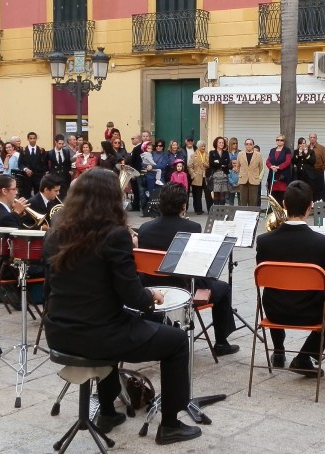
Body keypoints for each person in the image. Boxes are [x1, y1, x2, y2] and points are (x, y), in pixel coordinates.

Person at [43, 169, 202, 445]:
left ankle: (108, 411)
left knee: (113, 323)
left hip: (59, 333)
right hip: (97, 336)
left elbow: (50, 289)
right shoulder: (114, 235)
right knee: (176, 341)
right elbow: (131, 296)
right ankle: (171, 424)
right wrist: (150, 297)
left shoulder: (55, 233)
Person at [255, 180, 325, 373]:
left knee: (275, 288)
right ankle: (305, 357)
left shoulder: (264, 241)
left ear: (284, 205)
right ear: (310, 206)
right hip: (310, 312)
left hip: (274, 311)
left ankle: (279, 351)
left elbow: (263, 275)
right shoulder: (323, 242)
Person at [138, 183, 240, 356]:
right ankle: (221, 343)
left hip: (152, 288)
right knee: (223, 288)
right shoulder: (192, 227)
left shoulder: (144, 229)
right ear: (183, 206)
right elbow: (197, 266)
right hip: (183, 288)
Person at [18, 131, 47, 196]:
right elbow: (20, 164)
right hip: (27, 176)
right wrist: (25, 169)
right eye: (30, 138)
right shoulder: (23, 151)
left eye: (34, 138)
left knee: (39, 194)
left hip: (38, 176)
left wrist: (44, 174)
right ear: (28, 139)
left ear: (36, 139)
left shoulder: (41, 150)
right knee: (27, 194)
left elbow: (44, 164)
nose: (32, 140)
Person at [237, 138, 263, 207]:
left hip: (254, 180)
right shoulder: (240, 154)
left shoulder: (258, 155)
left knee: (253, 202)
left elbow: (261, 167)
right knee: (243, 201)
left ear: (253, 145)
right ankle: (243, 216)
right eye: (247, 144)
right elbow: (238, 166)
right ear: (245, 145)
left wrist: (255, 175)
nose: (248, 145)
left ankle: (252, 216)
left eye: (250, 144)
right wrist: (243, 173)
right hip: (243, 180)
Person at [266, 135, 293, 202]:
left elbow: (288, 161)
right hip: (273, 175)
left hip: (283, 176)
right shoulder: (272, 150)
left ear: (284, 141)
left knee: (282, 196)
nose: (279, 141)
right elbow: (268, 161)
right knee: (273, 196)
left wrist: (278, 167)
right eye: (278, 140)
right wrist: (271, 167)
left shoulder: (287, 150)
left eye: (281, 140)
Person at [47, 134, 73, 200]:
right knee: (55, 193)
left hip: (64, 176)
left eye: (62, 143)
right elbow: (47, 164)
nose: (61, 145)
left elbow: (68, 162)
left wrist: (69, 170)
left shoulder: (66, 152)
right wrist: (49, 173)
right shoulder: (50, 153)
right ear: (55, 142)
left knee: (65, 194)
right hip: (55, 176)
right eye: (59, 143)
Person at [189, 141, 210, 214]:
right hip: (197, 177)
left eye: (204, 146)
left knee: (208, 194)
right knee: (197, 195)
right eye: (202, 146)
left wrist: (206, 164)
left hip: (206, 177)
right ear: (198, 147)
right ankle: (198, 210)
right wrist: (193, 174)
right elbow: (190, 166)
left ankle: (210, 209)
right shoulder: (193, 155)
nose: (203, 148)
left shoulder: (208, 154)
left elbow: (210, 165)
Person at [208, 137, 230, 206]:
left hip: (224, 176)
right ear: (216, 143)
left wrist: (218, 161)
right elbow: (212, 163)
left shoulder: (226, 152)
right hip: (215, 175)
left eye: (222, 143)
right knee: (216, 194)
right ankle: (216, 211)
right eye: (219, 142)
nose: (221, 144)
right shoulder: (212, 153)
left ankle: (222, 211)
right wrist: (221, 164)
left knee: (222, 195)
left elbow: (227, 162)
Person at [308, 133, 325, 200]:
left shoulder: (321, 148)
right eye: (311, 137)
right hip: (309, 172)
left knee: (320, 190)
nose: (312, 139)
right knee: (310, 190)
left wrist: (321, 170)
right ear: (309, 138)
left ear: (316, 138)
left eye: (314, 137)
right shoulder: (306, 147)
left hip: (318, 171)